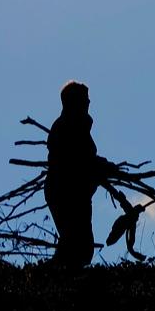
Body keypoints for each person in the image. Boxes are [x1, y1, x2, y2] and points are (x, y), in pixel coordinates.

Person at [45, 81, 110, 267]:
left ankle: (53, 278)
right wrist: (98, 166)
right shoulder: (66, 127)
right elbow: (77, 160)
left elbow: (87, 158)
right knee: (77, 245)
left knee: (78, 246)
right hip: (65, 193)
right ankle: (50, 279)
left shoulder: (79, 125)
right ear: (74, 101)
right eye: (85, 99)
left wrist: (102, 166)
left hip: (79, 194)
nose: (89, 102)